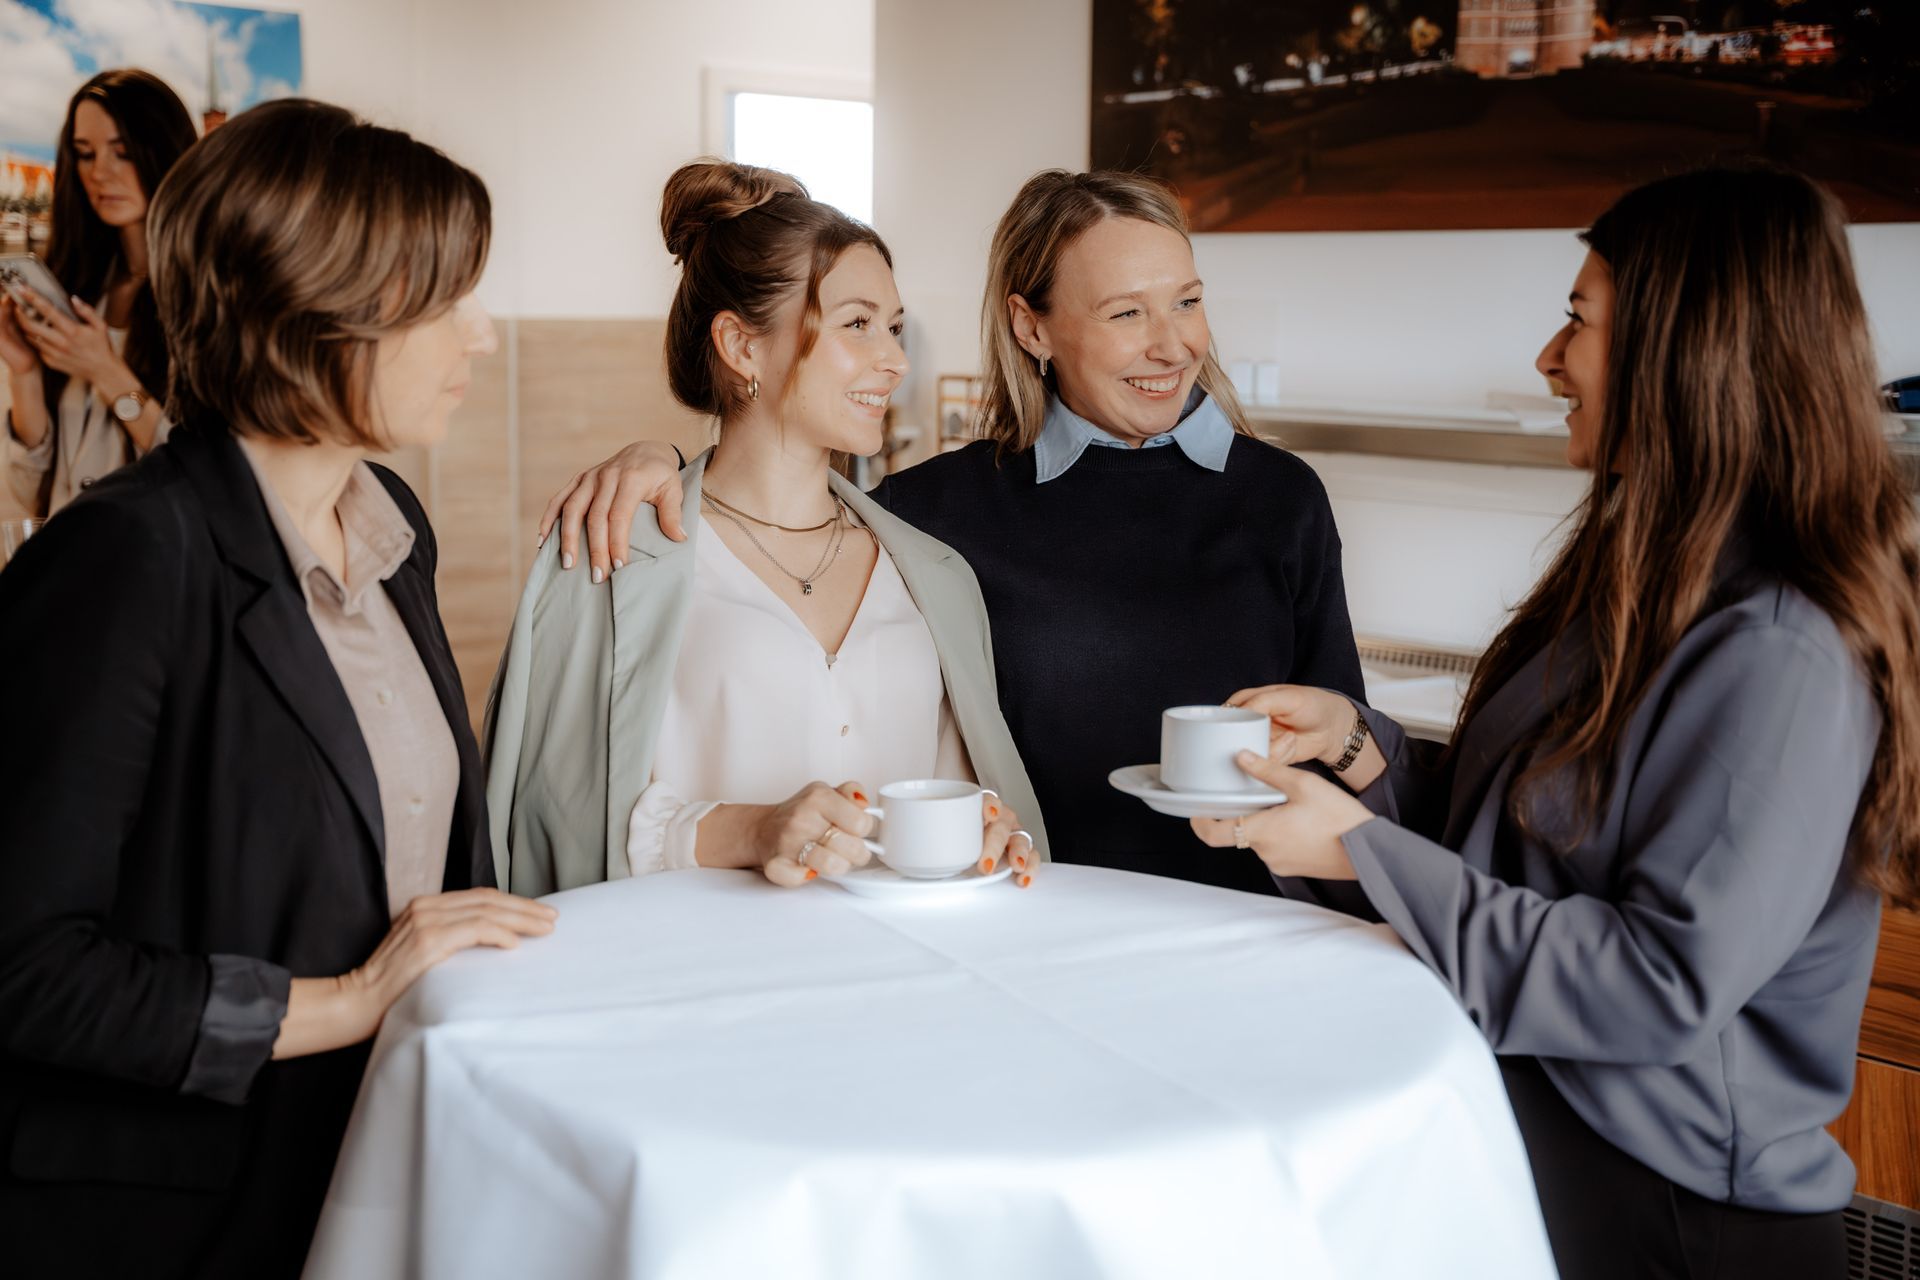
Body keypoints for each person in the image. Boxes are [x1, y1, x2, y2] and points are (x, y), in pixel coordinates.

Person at [1198, 166, 1920, 1280]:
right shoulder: (1643, 575)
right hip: (1547, 1151)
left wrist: (1356, 845)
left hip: (1680, 1218)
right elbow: (1538, 820)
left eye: (1579, 320)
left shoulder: (1782, 646)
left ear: (1687, 348)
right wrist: (1358, 751)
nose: (1549, 356)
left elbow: (1656, 982)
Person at [0, 100, 556, 1280]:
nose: (485, 334)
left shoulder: (392, 524)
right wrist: (350, 999)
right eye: (447, 300)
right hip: (187, 1215)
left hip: (377, 1166)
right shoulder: (128, 558)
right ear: (321, 313)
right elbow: (26, 966)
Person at [532, 169, 1363, 896]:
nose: (1171, 342)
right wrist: (661, 463)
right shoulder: (931, 520)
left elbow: (1346, 749)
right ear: (1031, 328)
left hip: (1245, 918)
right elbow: (559, 805)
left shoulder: (1281, 500)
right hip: (1027, 931)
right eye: (1125, 312)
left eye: (1187, 302)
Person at [484, 160, 1043, 896]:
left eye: (896, 328)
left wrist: (986, 830)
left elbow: (959, 794)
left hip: (898, 979)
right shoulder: (609, 550)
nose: (896, 360)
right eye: (858, 326)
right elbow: (551, 823)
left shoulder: (932, 576)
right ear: (742, 346)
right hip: (690, 983)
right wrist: (751, 830)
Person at [1, 69, 192, 516]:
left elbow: (220, 486)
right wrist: (25, 373)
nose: (100, 173)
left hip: (161, 576)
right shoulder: (84, 289)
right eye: (84, 154)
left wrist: (107, 371)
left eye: (121, 152)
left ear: (163, 152)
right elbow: (34, 496)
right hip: (74, 567)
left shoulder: (209, 300)